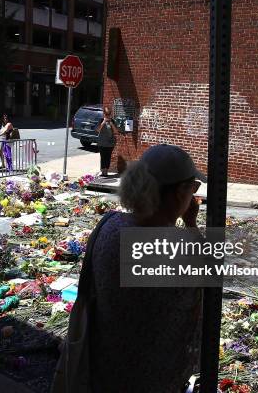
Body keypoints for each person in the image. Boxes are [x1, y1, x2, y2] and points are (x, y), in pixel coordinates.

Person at [69, 144, 206, 392]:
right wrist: (191, 223)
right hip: (153, 378)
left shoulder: (109, 226)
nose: (194, 196)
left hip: (105, 368)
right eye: (193, 188)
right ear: (179, 193)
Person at [95, 107, 119, 177]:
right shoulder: (101, 120)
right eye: (106, 114)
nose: (108, 116)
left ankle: (106, 171)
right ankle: (103, 171)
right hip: (102, 143)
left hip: (110, 143)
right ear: (104, 114)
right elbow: (98, 130)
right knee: (103, 157)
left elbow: (116, 132)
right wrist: (103, 122)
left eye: (109, 114)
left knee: (108, 157)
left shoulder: (112, 121)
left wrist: (111, 124)